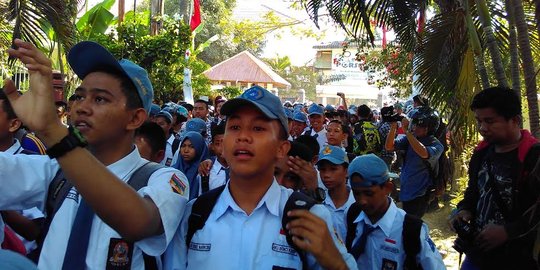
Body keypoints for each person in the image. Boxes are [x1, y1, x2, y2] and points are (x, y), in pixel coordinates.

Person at [1, 39, 189, 269]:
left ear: (135, 118)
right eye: (79, 96)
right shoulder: (56, 172)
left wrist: (52, 131)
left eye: (100, 99)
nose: (81, 107)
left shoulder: (165, 179)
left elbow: (138, 223)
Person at [166, 85, 357, 270]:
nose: (243, 136)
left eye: (258, 128)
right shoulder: (195, 215)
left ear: (281, 148)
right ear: (223, 144)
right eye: (234, 127)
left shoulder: (309, 217)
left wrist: (335, 264)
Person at [449, 87, 540, 269]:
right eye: (479, 121)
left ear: (514, 120)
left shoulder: (534, 157)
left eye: (490, 121)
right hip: (477, 256)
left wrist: (508, 232)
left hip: (520, 260)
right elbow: (474, 192)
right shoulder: (482, 152)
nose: (482, 128)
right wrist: (464, 210)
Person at [346, 154, 445, 269]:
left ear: (387, 188)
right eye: (356, 193)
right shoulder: (353, 215)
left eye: (369, 193)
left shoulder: (411, 230)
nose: (362, 201)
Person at [385, 106, 444, 218]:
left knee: (411, 225)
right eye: (414, 123)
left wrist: (407, 131)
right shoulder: (410, 139)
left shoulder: (436, 144)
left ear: (428, 128)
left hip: (420, 194)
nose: (415, 127)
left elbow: (423, 152)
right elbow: (389, 146)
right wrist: (393, 127)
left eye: (419, 125)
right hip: (406, 191)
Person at [316, 145, 355, 240]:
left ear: (346, 171)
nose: (326, 175)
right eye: (322, 170)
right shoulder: (318, 203)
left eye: (333, 169)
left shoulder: (357, 204)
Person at [173, 131, 209, 200]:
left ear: (200, 148)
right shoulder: (174, 170)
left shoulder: (205, 170)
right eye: (183, 146)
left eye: (191, 147)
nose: (186, 150)